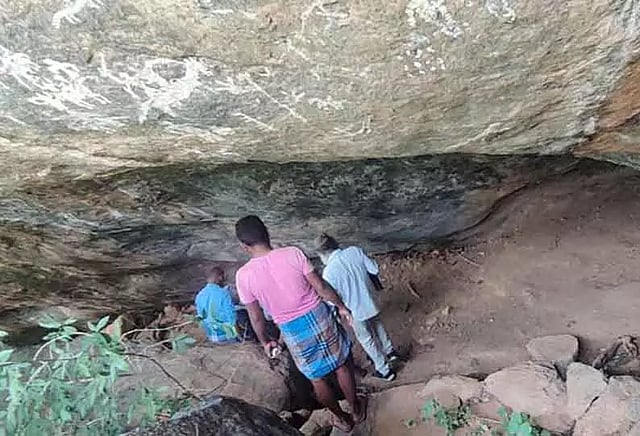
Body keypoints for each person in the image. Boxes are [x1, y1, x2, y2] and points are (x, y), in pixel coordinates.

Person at [234, 216, 367, 432]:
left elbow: (256, 317)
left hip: (291, 328)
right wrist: (341, 306)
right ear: (267, 232)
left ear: (244, 246)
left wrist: (266, 341)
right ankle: (356, 409)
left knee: (317, 378)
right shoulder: (292, 253)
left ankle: (342, 419)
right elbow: (321, 287)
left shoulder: (243, 276)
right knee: (341, 364)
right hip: (318, 314)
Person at [315, 233, 400, 381]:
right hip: (371, 299)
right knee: (378, 325)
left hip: (354, 310)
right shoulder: (354, 251)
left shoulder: (328, 272)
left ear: (321, 254)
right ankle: (390, 352)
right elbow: (374, 270)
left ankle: (384, 370)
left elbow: (332, 300)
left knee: (366, 339)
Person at [194, 266, 239, 344]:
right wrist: (237, 335)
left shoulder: (199, 295)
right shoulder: (223, 293)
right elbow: (231, 316)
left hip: (211, 337)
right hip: (226, 337)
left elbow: (201, 317)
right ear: (220, 277)